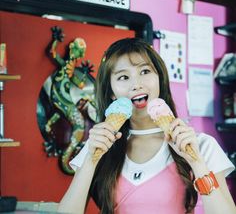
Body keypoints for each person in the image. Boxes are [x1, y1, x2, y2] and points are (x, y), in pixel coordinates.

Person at [57, 38, 236, 214]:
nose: (137, 84)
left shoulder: (200, 144)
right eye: (123, 77)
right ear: (111, 92)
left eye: (144, 72)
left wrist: (197, 163)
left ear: (159, 78)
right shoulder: (98, 144)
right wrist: (91, 159)